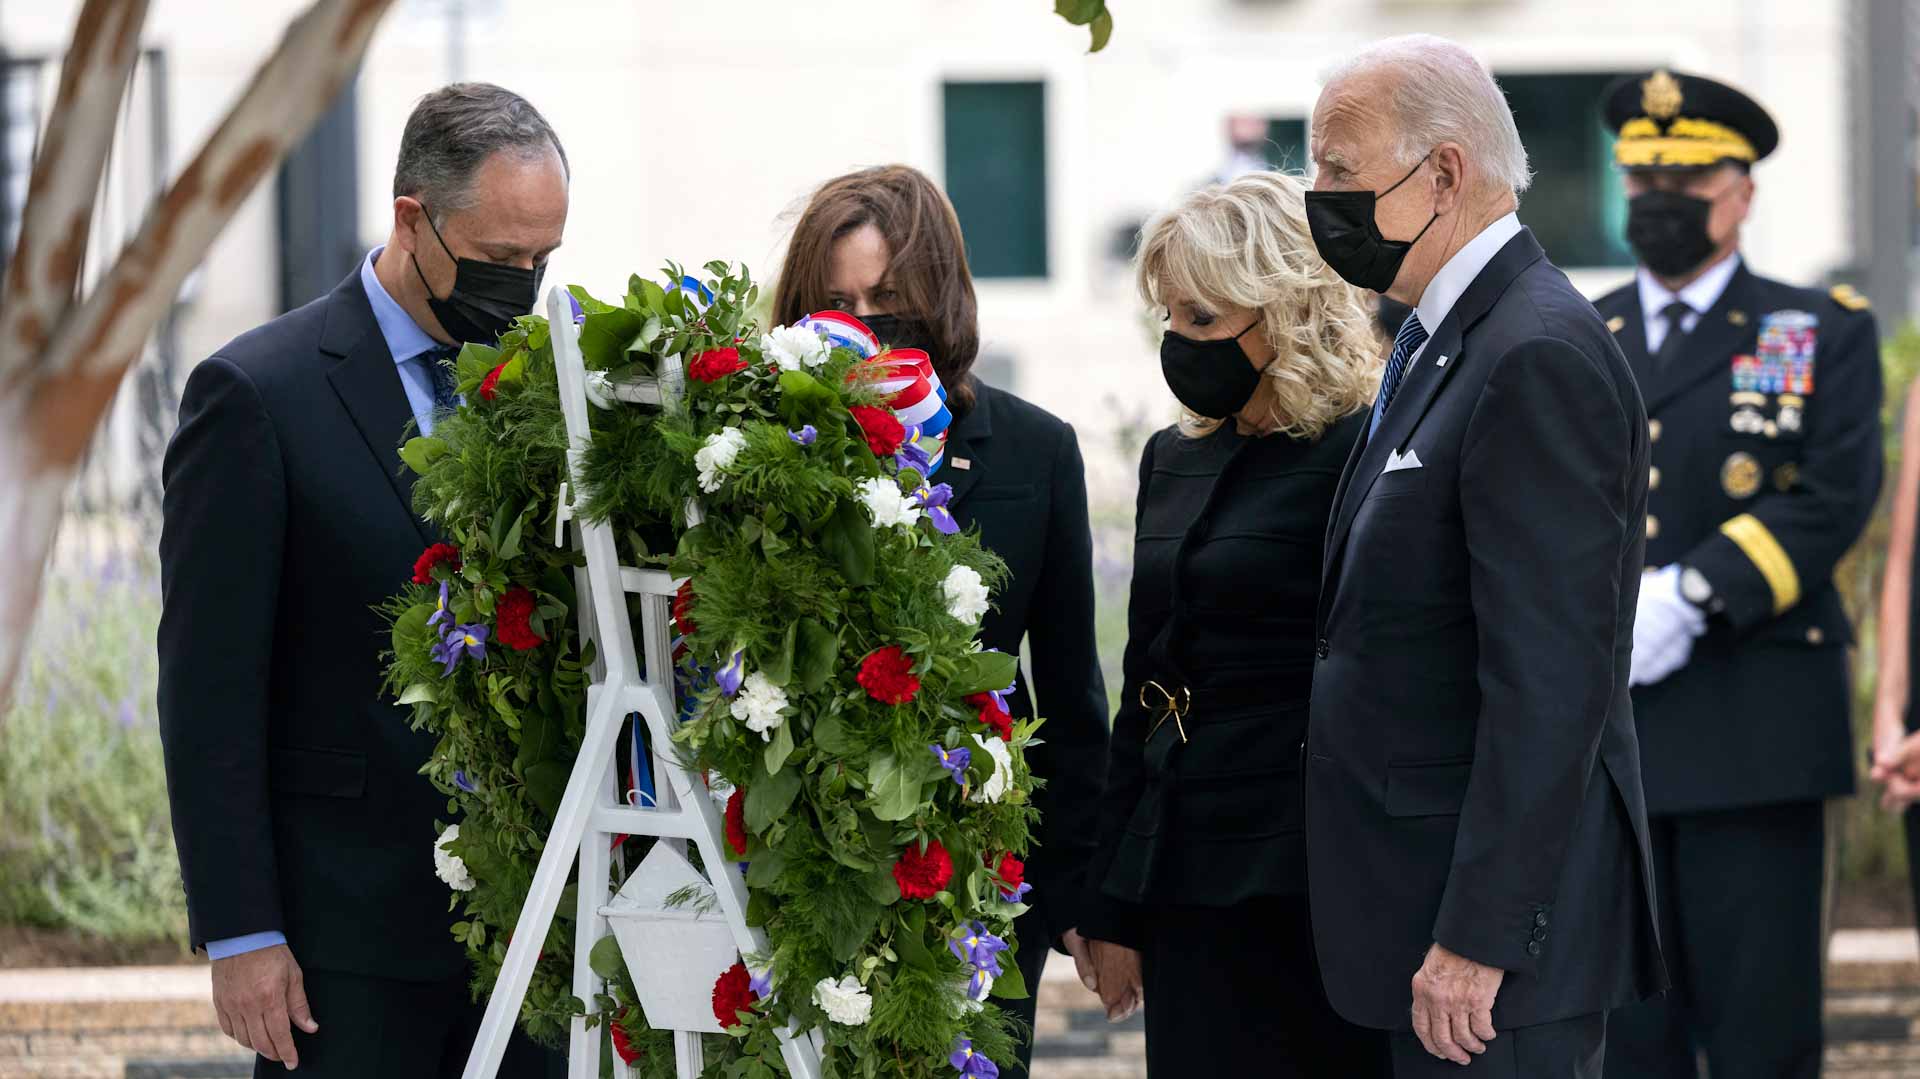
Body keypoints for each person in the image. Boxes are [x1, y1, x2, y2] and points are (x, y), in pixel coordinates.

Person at [157, 83, 569, 1077]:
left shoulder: (550, 387)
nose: (520, 283)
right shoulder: (255, 393)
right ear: (411, 219)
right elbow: (209, 689)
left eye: (540, 259)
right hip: (344, 951)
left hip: (533, 937)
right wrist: (241, 931)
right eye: (498, 258)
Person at [1304, 36, 1665, 1077]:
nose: (1317, 192)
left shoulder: (1532, 349)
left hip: (1487, 962)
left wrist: (1480, 934)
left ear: (1446, 173)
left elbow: (1552, 682)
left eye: (1339, 166)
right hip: (1418, 921)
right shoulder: (1447, 337)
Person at [770, 165, 1110, 1079]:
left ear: (940, 300)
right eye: (835, 304)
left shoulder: (1036, 449)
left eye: (887, 302)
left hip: (975, 877)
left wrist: (1077, 889)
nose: (864, 326)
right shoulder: (768, 456)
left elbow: (1073, 693)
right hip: (802, 875)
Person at [1591, 70, 1884, 1079]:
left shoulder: (1812, 331)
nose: (1661, 207)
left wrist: (1692, 589)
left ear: (1743, 192)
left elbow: (1832, 493)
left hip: (1754, 720)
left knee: (1762, 1034)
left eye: (1689, 186)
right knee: (1629, 1041)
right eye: (1643, 187)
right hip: (1613, 736)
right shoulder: (1587, 334)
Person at [1076, 170, 1389, 1075]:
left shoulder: (1366, 450)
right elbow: (1146, 683)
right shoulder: (1174, 459)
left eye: (1203, 319)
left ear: (1286, 311)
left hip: (1317, 877)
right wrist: (1114, 902)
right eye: (1169, 316)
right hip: (1187, 870)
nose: (1179, 340)